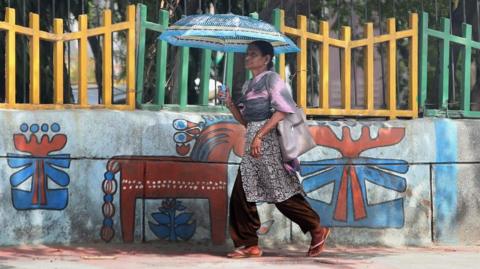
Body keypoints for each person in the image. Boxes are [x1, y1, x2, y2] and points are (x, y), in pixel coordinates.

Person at [221, 40, 330, 258]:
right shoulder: (248, 85)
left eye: (253, 54)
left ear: (266, 59)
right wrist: (231, 104)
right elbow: (246, 121)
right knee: (242, 195)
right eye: (247, 54)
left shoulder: (272, 79)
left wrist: (260, 136)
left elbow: (283, 110)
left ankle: (317, 228)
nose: (248, 58)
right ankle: (249, 244)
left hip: (267, 142)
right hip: (253, 141)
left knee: (281, 194)